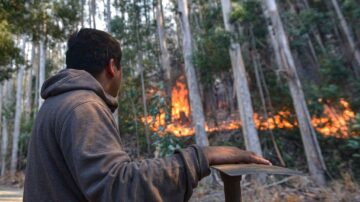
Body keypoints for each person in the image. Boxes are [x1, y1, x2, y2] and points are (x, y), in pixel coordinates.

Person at [24, 28, 271, 202]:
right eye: (121, 69)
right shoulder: (83, 106)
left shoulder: (55, 103)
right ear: (112, 67)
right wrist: (203, 156)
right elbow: (118, 187)